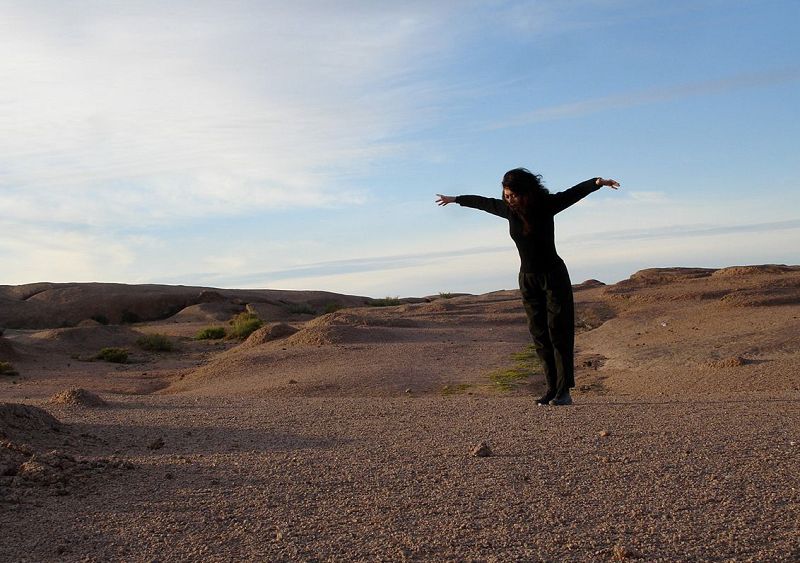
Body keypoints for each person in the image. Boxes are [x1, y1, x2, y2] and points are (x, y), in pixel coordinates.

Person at [436, 168, 619, 406]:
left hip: (553, 276)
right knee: (539, 334)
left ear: (526, 192)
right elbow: (482, 203)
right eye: (506, 195)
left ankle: (564, 391)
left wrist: (597, 182)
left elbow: (573, 193)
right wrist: (455, 199)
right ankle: (551, 388)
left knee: (558, 332)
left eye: (513, 195)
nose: (509, 199)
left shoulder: (547, 205)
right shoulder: (508, 211)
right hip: (528, 279)